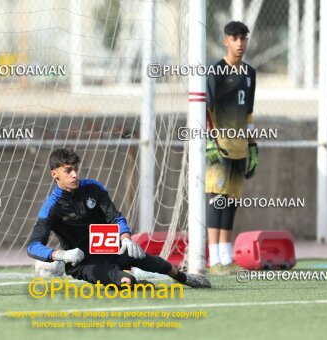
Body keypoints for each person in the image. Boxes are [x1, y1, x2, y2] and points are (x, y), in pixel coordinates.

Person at [27, 148, 211, 289]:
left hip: (110, 249)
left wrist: (126, 239)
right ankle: (137, 285)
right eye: (67, 171)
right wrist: (61, 255)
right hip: (85, 263)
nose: (74, 174)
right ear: (54, 174)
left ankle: (186, 278)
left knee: (152, 261)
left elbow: (115, 217)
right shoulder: (50, 207)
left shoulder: (93, 188)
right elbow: (33, 246)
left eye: (75, 169)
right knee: (127, 281)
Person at [206, 21, 259, 275]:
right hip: (220, 147)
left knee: (231, 202)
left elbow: (248, 113)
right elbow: (206, 109)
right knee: (217, 200)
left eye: (243, 38)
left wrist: (253, 146)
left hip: (240, 148)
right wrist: (208, 141)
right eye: (234, 38)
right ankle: (213, 259)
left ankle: (226, 259)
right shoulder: (216, 71)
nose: (240, 43)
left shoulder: (250, 73)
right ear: (225, 41)